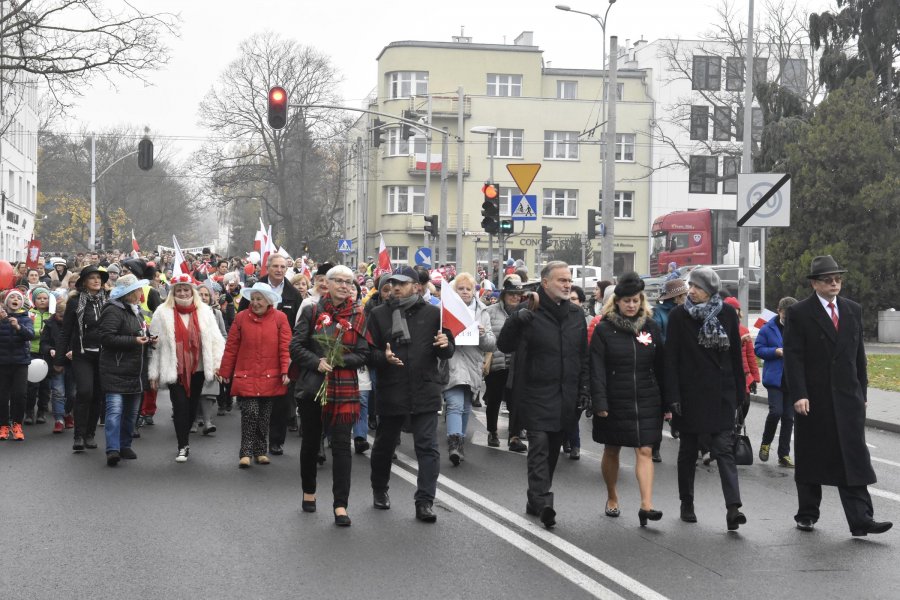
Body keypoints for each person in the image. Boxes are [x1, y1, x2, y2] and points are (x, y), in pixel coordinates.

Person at [784, 255, 892, 537]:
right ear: (815, 284)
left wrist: (862, 392)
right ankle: (807, 513)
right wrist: (799, 393)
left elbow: (859, 356)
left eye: (838, 279)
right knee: (812, 456)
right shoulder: (800, 313)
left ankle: (861, 520)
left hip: (847, 397)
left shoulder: (852, 309)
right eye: (828, 279)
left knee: (853, 456)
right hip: (814, 398)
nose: (835, 283)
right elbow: (793, 358)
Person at [497, 261, 590, 529]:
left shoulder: (575, 315)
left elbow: (582, 357)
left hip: (566, 396)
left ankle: (534, 499)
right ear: (545, 283)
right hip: (535, 393)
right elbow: (505, 344)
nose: (567, 284)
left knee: (551, 451)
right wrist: (515, 318)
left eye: (569, 280)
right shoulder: (530, 311)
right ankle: (544, 502)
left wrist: (584, 390)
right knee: (538, 447)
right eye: (561, 280)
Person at [367, 265, 454, 522]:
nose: (395, 287)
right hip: (392, 388)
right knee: (384, 446)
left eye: (402, 283)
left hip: (424, 389)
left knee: (427, 447)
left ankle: (425, 502)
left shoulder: (433, 313)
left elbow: (447, 350)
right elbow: (368, 352)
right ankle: (380, 490)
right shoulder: (379, 314)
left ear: (417, 287)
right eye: (392, 283)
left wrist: (445, 343)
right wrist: (383, 357)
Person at [665, 267, 746, 530]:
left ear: (710, 290)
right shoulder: (679, 316)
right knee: (688, 452)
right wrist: (673, 396)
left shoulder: (727, 315)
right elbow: (672, 359)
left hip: (721, 393)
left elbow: (735, 356)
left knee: (724, 450)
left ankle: (733, 508)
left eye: (697, 287)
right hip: (690, 396)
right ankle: (686, 501)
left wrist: (740, 393)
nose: (692, 291)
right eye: (691, 286)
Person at [291, 265, 371, 526]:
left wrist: (339, 360)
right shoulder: (312, 309)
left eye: (349, 282)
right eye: (339, 281)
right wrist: (317, 361)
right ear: (327, 282)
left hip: (344, 388)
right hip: (314, 386)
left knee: (341, 447)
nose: (345, 286)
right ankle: (309, 492)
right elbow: (296, 346)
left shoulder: (359, 313)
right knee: (312, 443)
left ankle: (340, 506)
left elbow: (363, 353)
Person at [590, 273, 667, 526]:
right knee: (612, 448)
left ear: (641, 301)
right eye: (626, 301)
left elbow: (663, 366)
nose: (631, 305)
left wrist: (668, 402)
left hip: (646, 398)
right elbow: (597, 368)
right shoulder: (604, 329)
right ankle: (612, 496)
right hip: (614, 398)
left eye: (635, 300)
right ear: (617, 303)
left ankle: (646, 505)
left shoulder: (651, 327)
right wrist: (599, 401)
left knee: (645, 449)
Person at [148, 274, 226, 463]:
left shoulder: (204, 311)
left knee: (192, 408)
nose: (182, 293)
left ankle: (186, 436)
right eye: (178, 290)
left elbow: (216, 340)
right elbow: (155, 346)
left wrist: (218, 365)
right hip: (175, 368)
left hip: (198, 368)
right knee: (180, 406)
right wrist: (154, 372)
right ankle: (182, 445)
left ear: (192, 291)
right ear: (172, 292)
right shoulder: (161, 312)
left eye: (186, 289)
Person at [217, 282, 291, 468]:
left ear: (268, 301)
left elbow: (285, 348)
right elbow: (231, 346)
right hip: (247, 374)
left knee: (265, 415)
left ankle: (260, 451)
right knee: (250, 412)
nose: (256, 302)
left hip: (270, 374)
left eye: (260, 299)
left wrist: (286, 371)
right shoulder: (241, 317)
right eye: (254, 299)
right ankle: (246, 452)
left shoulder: (280, 318)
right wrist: (225, 371)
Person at [237, 254, 301, 456]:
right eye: (275, 266)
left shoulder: (293, 293)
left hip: (283, 354)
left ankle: (275, 441)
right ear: (267, 267)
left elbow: (298, 325)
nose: (280, 270)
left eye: (283, 266)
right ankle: (256, 443)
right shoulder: (255, 289)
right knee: (256, 404)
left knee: (281, 401)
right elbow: (240, 319)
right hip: (255, 355)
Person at [97, 274, 153, 466]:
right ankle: (113, 449)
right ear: (128, 293)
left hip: (135, 369)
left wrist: (149, 338)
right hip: (115, 368)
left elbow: (140, 333)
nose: (140, 292)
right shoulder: (112, 310)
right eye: (137, 290)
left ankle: (125, 445)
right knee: (114, 412)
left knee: (131, 413)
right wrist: (133, 341)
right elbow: (106, 338)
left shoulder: (136, 311)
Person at [442, 272, 495, 466]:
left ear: (474, 291)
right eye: (460, 288)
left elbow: (491, 344)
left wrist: (481, 334)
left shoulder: (482, 311)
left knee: (465, 406)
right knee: (455, 403)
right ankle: (454, 444)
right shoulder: (444, 310)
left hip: (473, 364)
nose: (464, 292)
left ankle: (460, 442)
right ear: (454, 291)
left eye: (468, 289)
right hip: (452, 361)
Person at [57, 265, 108, 452]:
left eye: (99, 278)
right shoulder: (75, 302)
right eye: (92, 278)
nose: (96, 280)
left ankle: (90, 434)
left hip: (103, 354)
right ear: (84, 282)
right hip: (82, 353)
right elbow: (66, 332)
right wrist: (60, 360)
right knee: (85, 391)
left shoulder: (108, 301)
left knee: (97, 394)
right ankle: (78, 435)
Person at [484, 275, 527, 452]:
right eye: (511, 294)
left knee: (516, 401)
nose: (515, 298)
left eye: (518, 295)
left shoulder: (525, 312)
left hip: (517, 365)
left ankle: (514, 436)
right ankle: (492, 431)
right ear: (503, 294)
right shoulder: (490, 311)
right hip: (497, 362)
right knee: (493, 399)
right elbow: (486, 336)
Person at [755, 296, 798, 467]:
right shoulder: (768, 328)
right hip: (775, 379)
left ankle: (784, 454)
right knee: (776, 412)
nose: (789, 319)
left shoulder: (799, 327)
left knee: (789, 417)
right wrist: (775, 351)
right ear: (779, 311)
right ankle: (766, 444)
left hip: (792, 379)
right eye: (787, 315)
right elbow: (758, 349)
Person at [0, 290, 35, 441]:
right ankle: (3, 425)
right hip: (2, 363)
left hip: (20, 363)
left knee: (19, 395)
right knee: (2, 396)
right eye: (12, 297)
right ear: (6, 302)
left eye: (18, 298)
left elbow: (30, 335)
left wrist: (18, 327)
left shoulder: (25, 318)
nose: (15, 299)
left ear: (22, 302)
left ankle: (17, 425)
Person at [723, 296, 760, 429]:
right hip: (728, 376)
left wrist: (755, 378)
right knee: (730, 406)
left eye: (736, 309)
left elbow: (750, 356)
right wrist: (739, 341)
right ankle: (728, 429)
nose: (733, 312)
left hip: (744, 376)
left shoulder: (744, 330)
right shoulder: (721, 329)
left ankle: (738, 426)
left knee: (745, 404)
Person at [25, 287, 54, 425]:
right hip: (32, 352)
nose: (42, 301)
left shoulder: (52, 314)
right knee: (31, 384)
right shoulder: (30, 314)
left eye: (45, 298)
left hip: (47, 353)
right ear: (34, 300)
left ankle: (42, 411)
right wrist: (39, 332)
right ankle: (29, 411)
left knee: (45, 385)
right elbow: (27, 331)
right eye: (39, 298)